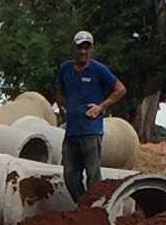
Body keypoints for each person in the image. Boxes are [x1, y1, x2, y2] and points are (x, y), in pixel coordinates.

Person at [54, 29, 126, 205]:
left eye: (87, 48)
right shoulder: (65, 68)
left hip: (91, 131)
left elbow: (120, 89)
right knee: (70, 175)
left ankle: (95, 209)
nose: (83, 52)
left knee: (93, 174)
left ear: (91, 49)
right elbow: (59, 91)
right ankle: (83, 206)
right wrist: (66, 107)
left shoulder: (98, 69)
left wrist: (101, 107)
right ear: (74, 48)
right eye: (80, 47)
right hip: (71, 132)